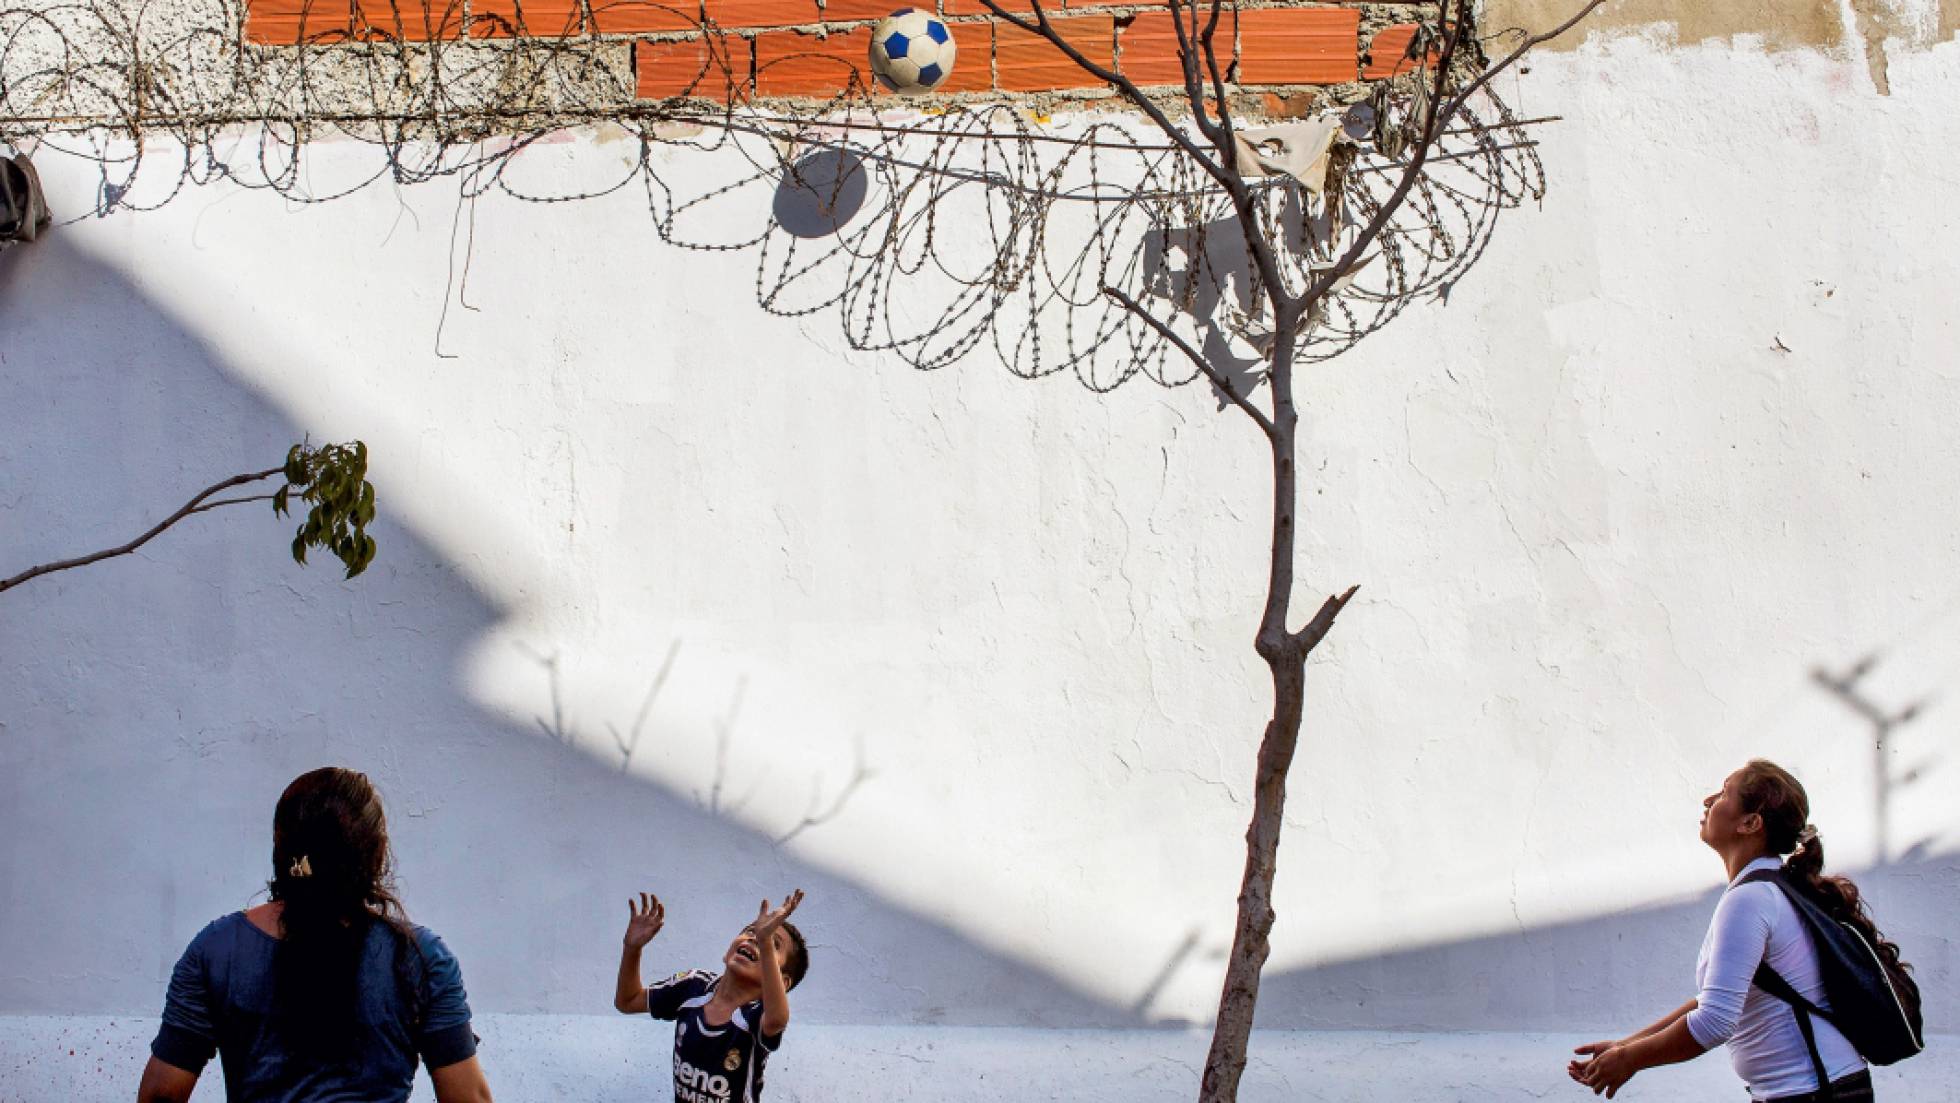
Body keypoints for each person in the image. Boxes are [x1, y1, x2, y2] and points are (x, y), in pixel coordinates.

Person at [137, 767, 494, 1103]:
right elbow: (469, 1099)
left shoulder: (218, 950)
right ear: (376, 854)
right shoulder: (420, 956)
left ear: (281, 849)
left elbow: (160, 1095)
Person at [1568, 759, 1900, 1101]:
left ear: (1751, 823)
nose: (1708, 800)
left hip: (1814, 1093)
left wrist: (1629, 1059)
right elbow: (1716, 1000)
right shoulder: (1770, 888)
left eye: (1725, 793)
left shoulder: (1752, 899)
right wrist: (1626, 1047)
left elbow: (1714, 1021)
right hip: (1821, 1090)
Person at [614, 889, 808, 1103]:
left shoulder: (758, 1013)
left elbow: (778, 1019)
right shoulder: (693, 985)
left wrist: (765, 941)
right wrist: (632, 949)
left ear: (782, 982)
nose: (756, 938)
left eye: (773, 943)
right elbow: (627, 1001)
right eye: (751, 932)